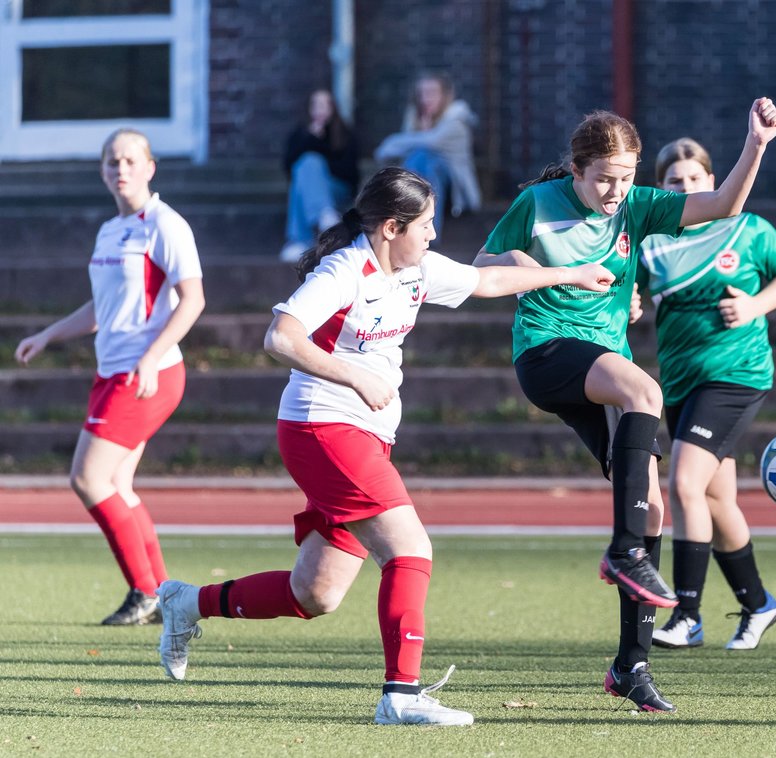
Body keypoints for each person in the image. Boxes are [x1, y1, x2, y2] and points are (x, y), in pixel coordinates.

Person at [154, 167, 614, 727]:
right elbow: (280, 336)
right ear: (392, 226)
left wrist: (570, 275)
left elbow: (485, 282)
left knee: (315, 593)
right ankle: (401, 696)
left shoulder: (415, 270)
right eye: (426, 225)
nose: (434, 235)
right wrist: (354, 375)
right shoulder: (345, 268)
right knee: (410, 549)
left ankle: (185, 603)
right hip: (321, 427)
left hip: (363, 436)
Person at [475, 99, 776, 712]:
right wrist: (545, 272)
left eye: (625, 177)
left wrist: (757, 144)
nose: (616, 191)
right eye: (603, 179)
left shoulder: (639, 206)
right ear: (577, 171)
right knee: (646, 390)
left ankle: (631, 666)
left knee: (651, 503)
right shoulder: (536, 206)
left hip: (601, 365)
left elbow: (722, 205)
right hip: (546, 353)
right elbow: (483, 269)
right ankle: (623, 552)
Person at [14, 129, 206, 626]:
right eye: (111, 161)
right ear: (102, 170)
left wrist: (150, 356)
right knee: (117, 482)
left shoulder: (165, 224)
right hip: (113, 371)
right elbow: (101, 308)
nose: (120, 168)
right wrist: (48, 335)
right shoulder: (109, 231)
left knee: (87, 477)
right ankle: (167, 596)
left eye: (129, 160)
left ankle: (144, 592)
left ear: (149, 167)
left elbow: (194, 300)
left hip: (150, 374)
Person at [635, 137, 776, 651]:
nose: (685, 187)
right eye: (674, 181)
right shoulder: (654, 241)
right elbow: (632, 291)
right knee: (715, 497)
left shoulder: (749, 229)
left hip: (737, 374)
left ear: (712, 183)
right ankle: (758, 602)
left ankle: (687, 615)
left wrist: (755, 306)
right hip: (681, 379)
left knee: (684, 482)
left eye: (694, 179)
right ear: (661, 189)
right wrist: (630, 305)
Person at [374, 72, 481, 238]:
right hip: (424, 185)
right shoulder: (414, 120)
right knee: (419, 156)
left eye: (431, 93)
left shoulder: (456, 122)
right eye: (421, 93)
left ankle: (418, 232)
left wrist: (396, 141)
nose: (425, 99)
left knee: (425, 156)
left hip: (455, 194)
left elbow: (430, 142)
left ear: (444, 96)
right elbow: (392, 153)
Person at [280, 88, 359, 263]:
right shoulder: (300, 135)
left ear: (333, 108)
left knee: (310, 163)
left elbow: (349, 172)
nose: (319, 110)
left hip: (337, 188)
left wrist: (318, 156)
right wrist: (310, 139)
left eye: (324, 105)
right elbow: (289, 166)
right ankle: (323, 213)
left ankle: (300, 238)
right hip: (308, 190)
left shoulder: (344, 134)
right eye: (315, 105)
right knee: (304, 170)